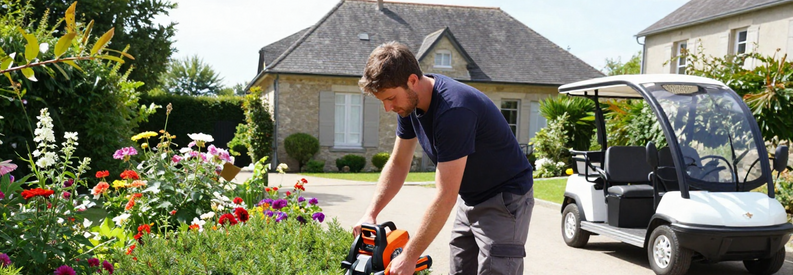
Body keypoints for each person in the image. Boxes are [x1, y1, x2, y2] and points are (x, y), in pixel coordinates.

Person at [355, 41, 535, 275]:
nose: (388, 108)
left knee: (496, 269)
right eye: (383, 101)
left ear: (412, 81)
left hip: (505, 198)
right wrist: (371, 211)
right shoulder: (408, 105)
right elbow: (399, 163)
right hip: (469, 196)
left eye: (390, 98)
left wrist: (409, 256)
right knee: (460, 270)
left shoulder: (454, 110)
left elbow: (445, 194)